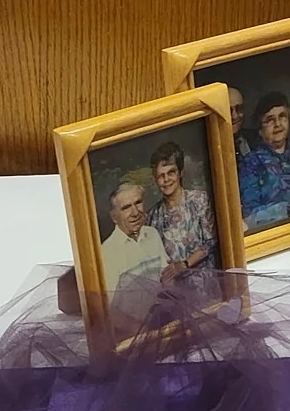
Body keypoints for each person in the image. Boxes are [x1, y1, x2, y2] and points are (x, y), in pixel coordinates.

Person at [146, 142, 218, 282]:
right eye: (161, 176)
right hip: (174, 287)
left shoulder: (200, 200)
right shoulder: (152, 216)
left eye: (171, 173)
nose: (166, 179)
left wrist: (185, 264)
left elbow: (210, 242)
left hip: (205, 281)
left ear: (180, 173)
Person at [238, 93, 290, 231]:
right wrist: (288, 209)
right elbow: (249, 216)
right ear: (260, 130)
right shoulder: (251, 163)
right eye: (270, 120)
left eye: (282, 116)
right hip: (275, 230)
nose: (278, 124)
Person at [99, 182, 167, 297]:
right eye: (126, 208)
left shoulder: (152, 233)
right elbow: (113, 303)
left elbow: (165, 276)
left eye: (138, 203)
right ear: (114, 217)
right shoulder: (106, 252)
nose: (135, 212)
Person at [228, 87, 254, 158]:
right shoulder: (211, 147)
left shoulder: (256, 139)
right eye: (228, 110)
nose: (234, 116)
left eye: (238, 109)